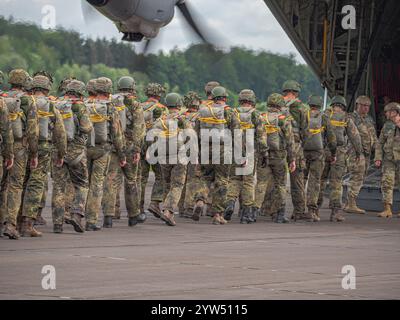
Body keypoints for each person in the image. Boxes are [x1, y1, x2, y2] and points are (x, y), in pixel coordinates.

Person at [20, 75, 67, 237]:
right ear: (47, 89)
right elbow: (60, 132)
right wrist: (61, 153)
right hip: (43, 148)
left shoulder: (23, 102)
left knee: (19, 184)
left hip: (21, 148)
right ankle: (27, 224)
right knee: (36, 184)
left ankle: (12, 221)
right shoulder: (50, 105)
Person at [102, 76, 145, 228]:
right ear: (133, 88)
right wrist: (138, 149)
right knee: (131, 180)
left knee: (111, 180)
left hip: (112, 145)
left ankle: (108, 216)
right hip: (129, 146)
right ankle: (133, 215)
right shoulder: (135, 104)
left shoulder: (110, 101)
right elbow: (139, 128)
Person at [51, 80, 93, 234]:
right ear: (80, 92)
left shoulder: (57, 104)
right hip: (76, 152)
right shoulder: (80, 106)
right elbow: (87, 127)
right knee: (82, 184)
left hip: (57, 151)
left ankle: (57, 224)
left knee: (58, 186)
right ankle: (76, 214)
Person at [2, 70, 38, 240]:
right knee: (16, 185)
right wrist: (34, 153)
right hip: (19, 147)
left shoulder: (2, 97)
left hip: (2, 144)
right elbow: (32, 130)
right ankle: (10, 224)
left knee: (2, 185)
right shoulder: (27, 100)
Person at [85, 77, 125, 231]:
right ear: (108, 90)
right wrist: (121, 155)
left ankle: (76, 214)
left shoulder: (85, 106)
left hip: (85, 148)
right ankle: (96, 219)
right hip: (103, 150)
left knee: (84, 184)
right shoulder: (110, 108)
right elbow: (117, 135)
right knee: (99, 184)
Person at [194, 86, 238, 225]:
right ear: (225, 98)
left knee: (205, 178)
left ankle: (200, 200)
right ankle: (217, 214)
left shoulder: (203, 112)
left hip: (206, 149)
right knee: (222, 181)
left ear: (212, 97)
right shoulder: (229, 112)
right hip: (223, 149)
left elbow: (196, 132)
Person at [254, 93, 296, 223]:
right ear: (280, 105)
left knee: (261, 183)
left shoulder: (260, 117)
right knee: (281, 184)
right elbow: (290, 141)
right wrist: (292, 159)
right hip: (279, 156)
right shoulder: (284, 119)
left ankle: (252, 213)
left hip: (263, 156)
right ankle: (279, 214)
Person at [224, 89, 263, 223]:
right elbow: (261, 137)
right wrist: (263, 152)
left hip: (234, 151)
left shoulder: (232, 113)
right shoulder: (256, 115)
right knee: (248, 182)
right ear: (252, 101)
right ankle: (246, 213)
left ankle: (229, 203)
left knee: (234, 179)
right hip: (250, 152)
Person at [322, 96, 362, 222]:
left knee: (319, 180)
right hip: (339, 154)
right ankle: (335, 213)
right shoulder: (346, 118)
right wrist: (359, 152)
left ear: (332, 104)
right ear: (343, 105)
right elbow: (355, 137)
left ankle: (314, 210)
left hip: (323, 152)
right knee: (336, 182)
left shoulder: (324, 115)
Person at [153, 92, 188, 226]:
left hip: (163, 155)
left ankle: (167, 210)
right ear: (179, 104)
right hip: (179, 155)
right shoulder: (182, 119)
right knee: (177, 185)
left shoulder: (160, 120)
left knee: (167, 183)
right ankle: (168, 212)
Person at [302, 95, 336, 221]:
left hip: (303, 153)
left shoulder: (303, 115)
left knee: (301, 180)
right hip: (318, 153)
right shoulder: (324, 117)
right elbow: (332, 139)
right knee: (315, 181)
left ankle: (298, 210)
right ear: (320, 105)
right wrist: (333, 154)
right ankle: (312, 211)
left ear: (309, 104)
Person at [345, 96, 378, 214]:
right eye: (363, 105)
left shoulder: (369, 119)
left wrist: (377, 152)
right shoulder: (351, 118)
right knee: (357, 175)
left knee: (362, 176)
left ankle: (349, 202)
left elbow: (373, 136)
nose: (365, 108)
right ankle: (351, 203)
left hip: (367, 152)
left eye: (367, 106)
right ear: (357, 105)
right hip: (356, 152)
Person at [140, 83, 167, 219]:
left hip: (140, 145)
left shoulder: (138, 107)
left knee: (141, 178)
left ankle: (138, 208)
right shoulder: (163, 109)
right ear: (159, 95)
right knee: (161, 176)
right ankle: (155, 203)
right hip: (157, 146)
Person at [282, 80, 308, 220]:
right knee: (297, 179)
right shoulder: (301, 108)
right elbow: (306, 130)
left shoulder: (277, 105)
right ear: (296, 92)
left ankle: (269, 209)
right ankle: (298, 211)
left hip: (279, 146)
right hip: (296, 147)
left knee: (275, 179)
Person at [374, 102, 400, 218]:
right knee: (386, 183)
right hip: (389, 159)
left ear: (394, 112)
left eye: (388, 112)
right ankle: (387, 209)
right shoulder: (387, 125)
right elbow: (380, 143)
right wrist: (378, 157)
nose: (386, 114)